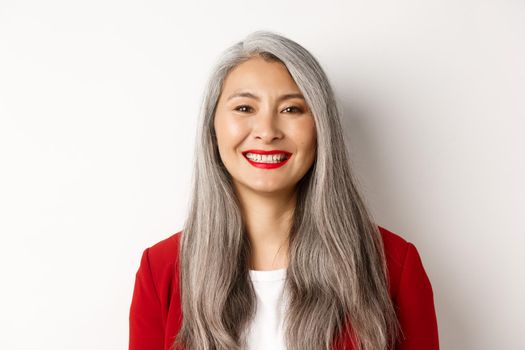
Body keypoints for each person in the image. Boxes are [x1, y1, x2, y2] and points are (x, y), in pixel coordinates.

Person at [129, 30, 439, 350]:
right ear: (212, 130)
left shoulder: (394, 266)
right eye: (245, 108)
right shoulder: (161, 270)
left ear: (321, 129)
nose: (267, 131)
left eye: (291, 109)